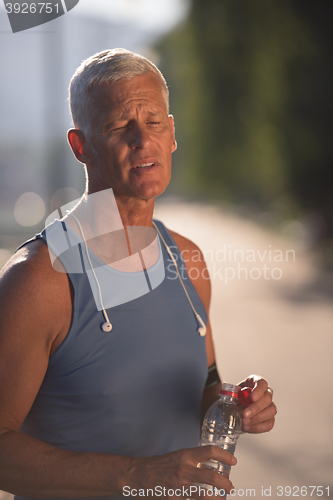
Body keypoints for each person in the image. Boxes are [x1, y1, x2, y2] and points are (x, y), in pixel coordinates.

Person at [0, 49, 276, 500]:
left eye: (154, 123)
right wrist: (136, 475)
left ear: (172, 134)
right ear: (80, 146)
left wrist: (236, 405)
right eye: (117, 126)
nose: (142, 141)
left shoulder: (188, 259)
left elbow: (206, 386)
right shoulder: (40, 281)